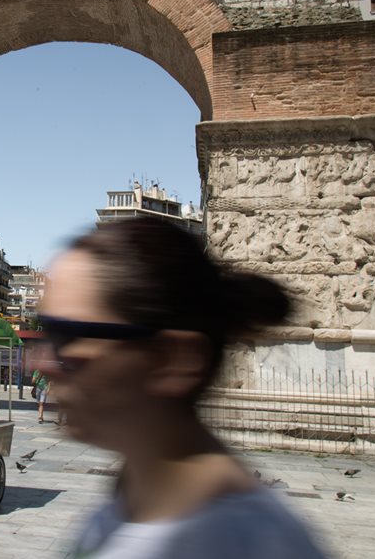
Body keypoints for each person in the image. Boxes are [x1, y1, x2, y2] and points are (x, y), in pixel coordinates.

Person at [38, 218, 327, 558]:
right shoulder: (134, 496)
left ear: (172, 360)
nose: (42, 363)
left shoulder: (247, 543)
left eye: (67, 337)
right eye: (46, 329)